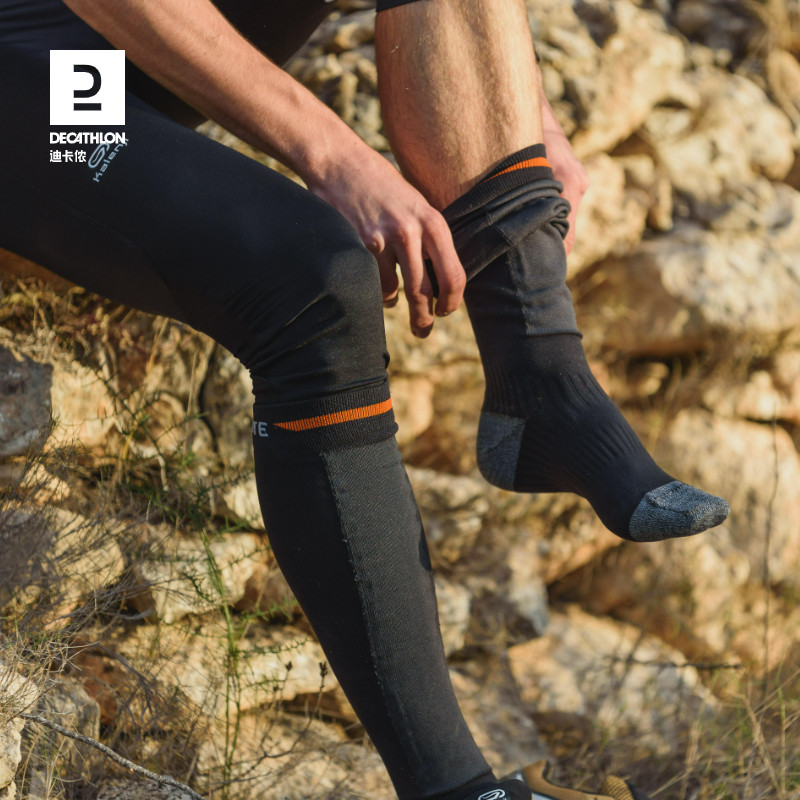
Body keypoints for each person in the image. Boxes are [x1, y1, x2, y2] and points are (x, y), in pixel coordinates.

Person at [0, 1, 728, 798]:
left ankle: (541, 370)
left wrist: (522, 125)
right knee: (312, 280)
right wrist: (336, 155)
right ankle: (457, 792)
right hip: (47, 72)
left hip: (106, 58)